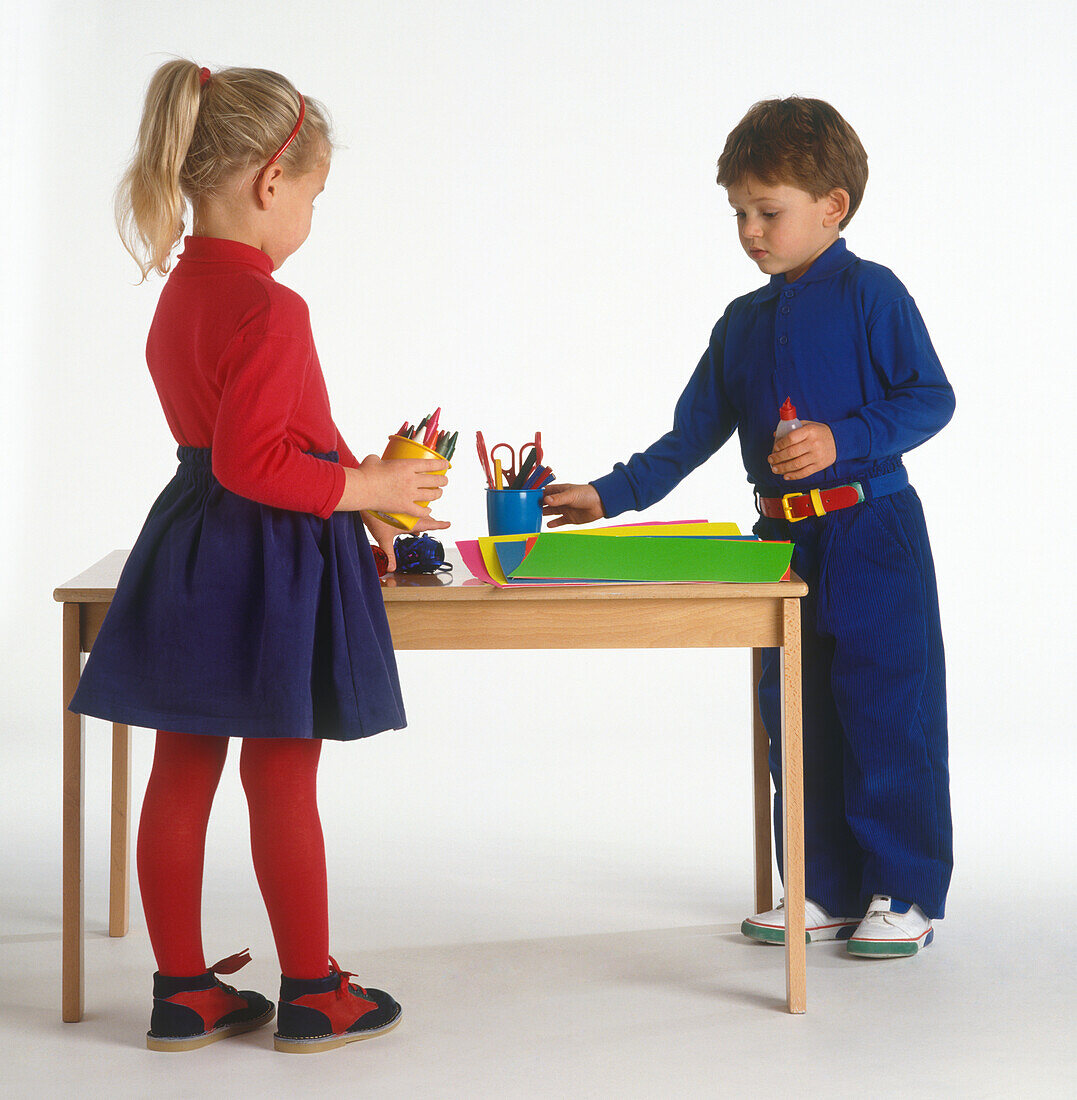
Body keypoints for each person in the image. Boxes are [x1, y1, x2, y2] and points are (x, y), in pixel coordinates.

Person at [70, 59, 449, 1052]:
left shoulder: (181, 289)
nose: (311, 217)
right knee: (282, 776)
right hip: (270, 560)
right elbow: (255, 460)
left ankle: (184, 987)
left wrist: (347, 469)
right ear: (270, 182)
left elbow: (242, 441)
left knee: (181, 766)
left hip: (194, 546)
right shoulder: (274, 306)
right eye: (315, 194)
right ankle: (315, 988)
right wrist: (367, 489)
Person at [543, 97, 954, 959]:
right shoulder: (741, 324)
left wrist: (843, 437)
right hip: (778, 546)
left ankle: (904, 890)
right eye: (738, 213)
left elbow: (930, 398)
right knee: (793, 716)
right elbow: (691, 435)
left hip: (871, 530)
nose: (749, 231)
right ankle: (820, 888)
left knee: (886, 711)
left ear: (831, 207)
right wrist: (606, 496)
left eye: (768, 212)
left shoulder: (874, 293)